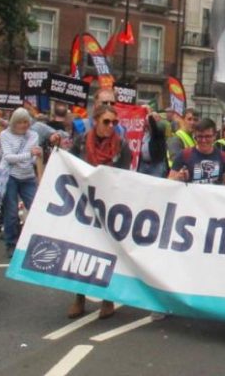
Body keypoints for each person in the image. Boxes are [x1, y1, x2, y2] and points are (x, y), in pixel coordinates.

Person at [68, 105, 131, 320]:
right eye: (106, 122)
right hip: (84, 203)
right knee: (82, 249)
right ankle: (79, 297)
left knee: (107, 251)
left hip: (109, 205)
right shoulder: (80, 142)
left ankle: (107, 299)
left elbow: (124, 176)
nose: (111, 126)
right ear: (95, 121)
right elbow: (68, 165)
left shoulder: (122, 145)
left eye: (114, 122)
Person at [0, 108, 42, 258]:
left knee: (36, 209)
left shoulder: (34, 135)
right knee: (11, 213)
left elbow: (31, 159)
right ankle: (11, 243)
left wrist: (35, 156)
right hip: (10, 175)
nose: (23, 125)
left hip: (28, 176)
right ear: (13, 123)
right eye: (20, 122)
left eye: (26, 122)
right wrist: (29, 154)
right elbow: (9, 157)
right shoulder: (5, 135)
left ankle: (35, 240)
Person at [168, 118, 225, 185]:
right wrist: (178, 177)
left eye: (207, 136)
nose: (203, 140)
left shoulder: (223, 157)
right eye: (200, 136)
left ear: (214, 136)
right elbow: (169, 182)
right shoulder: (184, 155)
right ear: (195, 136)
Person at [137, 107, 169, 178]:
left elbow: (154, 127)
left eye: (154, 117)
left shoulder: (160, 128)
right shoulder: (143, 131)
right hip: (143, 164)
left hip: (156, 166)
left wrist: (149, 113)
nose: (148, 119)